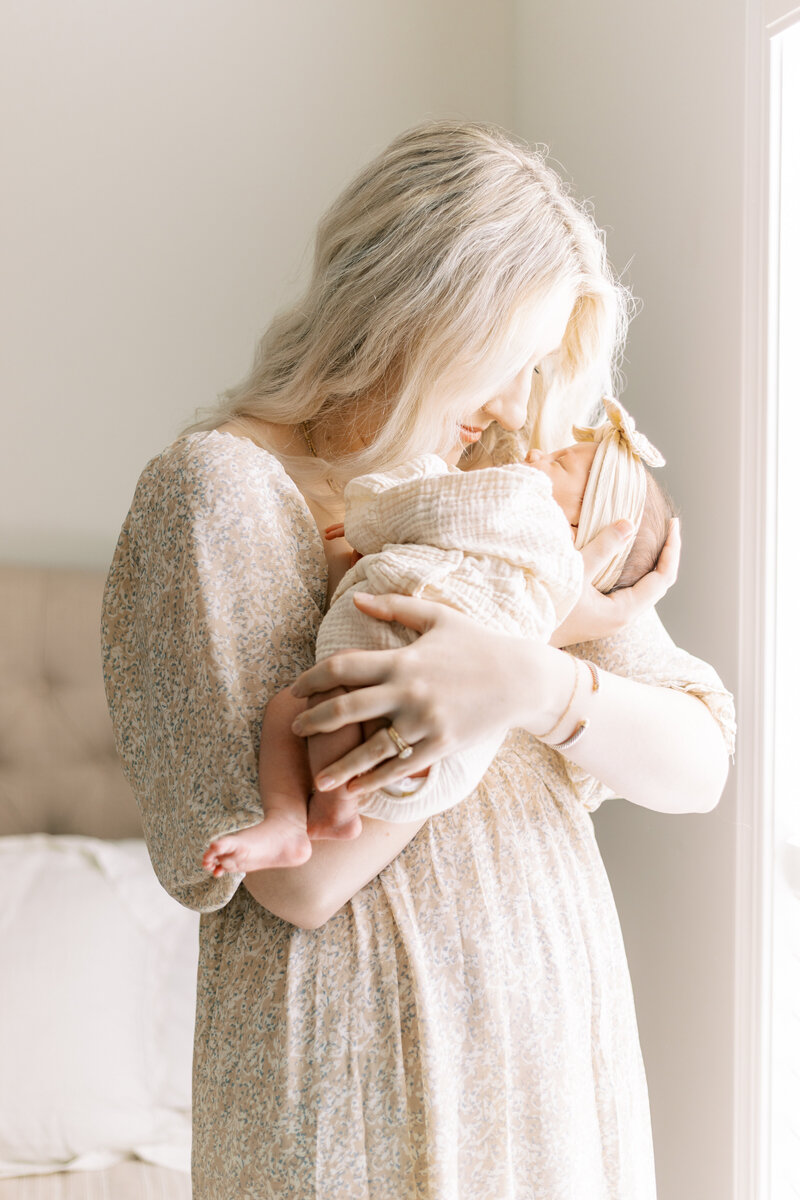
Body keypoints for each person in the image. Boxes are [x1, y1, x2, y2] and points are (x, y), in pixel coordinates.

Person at [101, 121, 735, 1199]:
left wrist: (537, 680)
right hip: (367, 1081)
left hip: (554, 1066)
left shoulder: (506, 488)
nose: (515, 399)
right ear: (427, 315)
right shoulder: (219, 496)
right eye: (512, 356)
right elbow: (303, 883)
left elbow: (697, 762)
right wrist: (514, 658)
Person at [202, 396, 676, 877]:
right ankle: (333, 808)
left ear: (579, 523)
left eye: (560, 463)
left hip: (397, 686)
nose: (536, 456)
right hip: (448, 764)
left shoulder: (522, 502)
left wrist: (373, 512)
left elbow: (434, 508)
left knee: (291, 709)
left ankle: (291, 819)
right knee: (314, 712)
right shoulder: (558, 589)